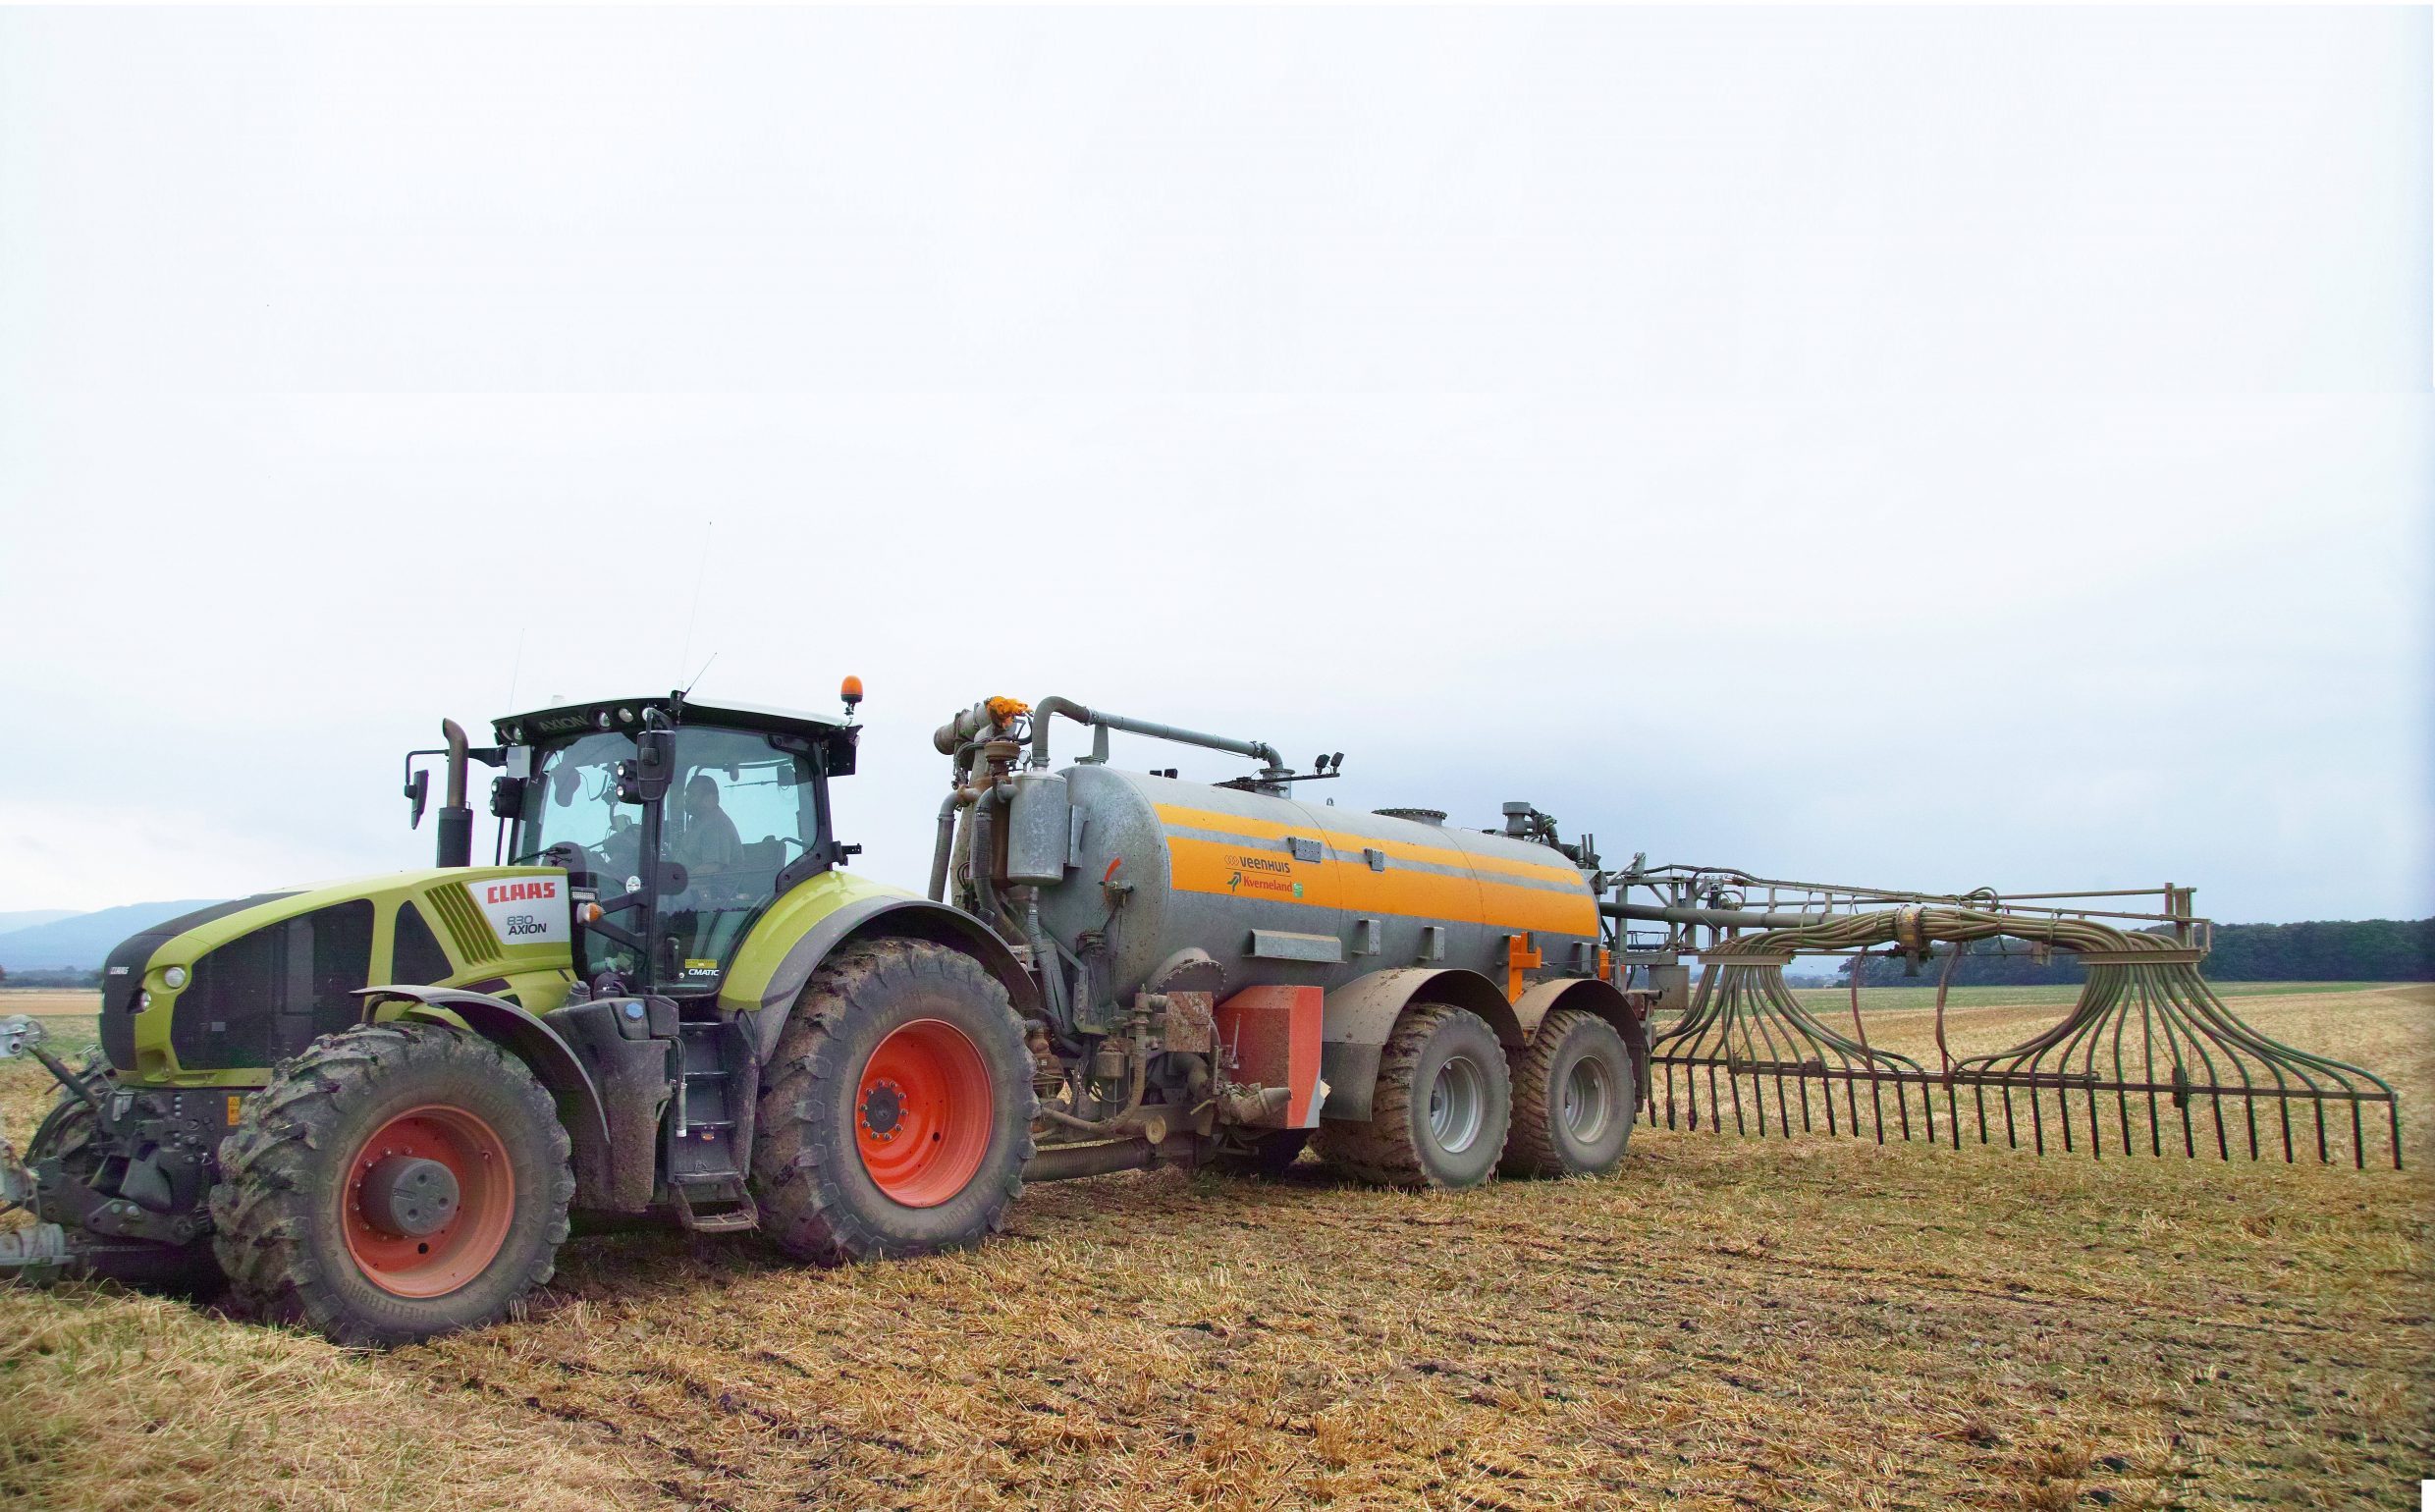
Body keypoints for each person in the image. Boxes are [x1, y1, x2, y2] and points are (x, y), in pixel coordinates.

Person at [671, 773, 741, 876]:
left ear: (710, 799)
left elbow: (712, 868)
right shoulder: (696, 820)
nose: (686, 798)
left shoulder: (715, 825)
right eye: (687, 794)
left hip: (712, 889)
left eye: (692, 794)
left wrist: (679, 883)